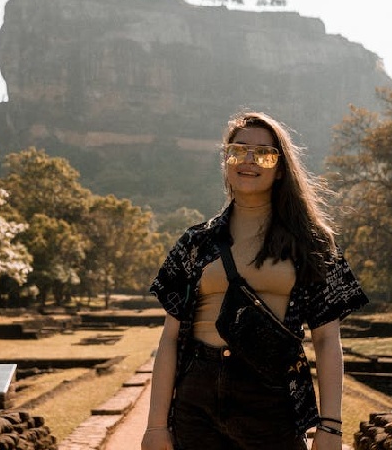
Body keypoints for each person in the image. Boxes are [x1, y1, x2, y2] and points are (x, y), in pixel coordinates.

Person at [142, 111, 368, 450]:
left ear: (280, 170)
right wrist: (156, 426)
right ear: (226, 160)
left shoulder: (311, 242)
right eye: (238, 150)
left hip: (272, 397)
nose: (248, 160)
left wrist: (331, 426)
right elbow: (170, 339)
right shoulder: (195, 242)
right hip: (198, 397)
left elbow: (326, 338)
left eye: (264, 154)